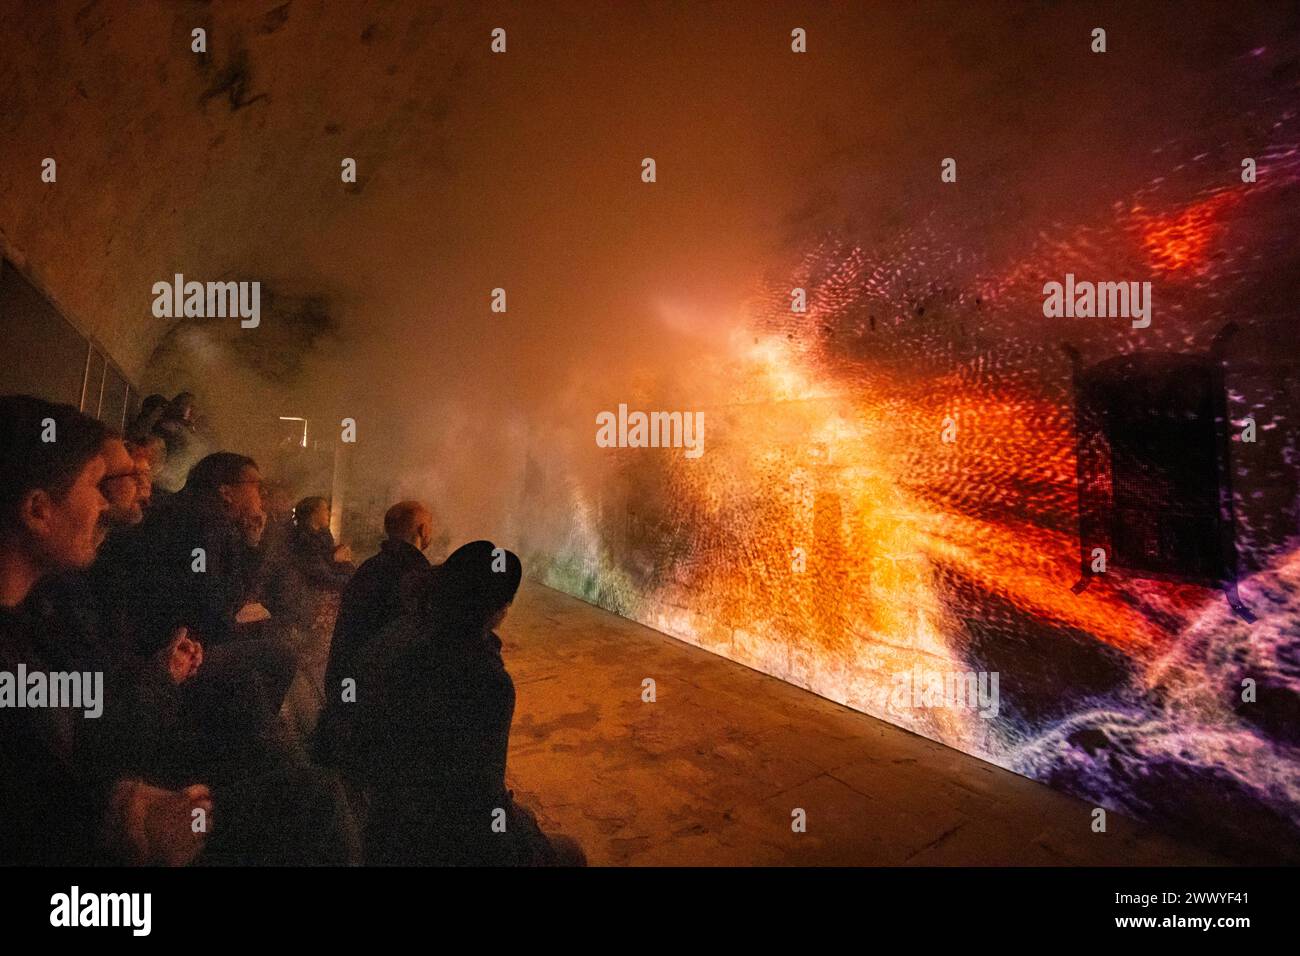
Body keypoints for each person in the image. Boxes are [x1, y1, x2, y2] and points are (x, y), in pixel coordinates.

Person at [0, 395, 212, 865]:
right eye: (100, 485)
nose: (107, 506)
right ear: (38, 510)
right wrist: (127, 818)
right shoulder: (48, 611)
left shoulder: (36, 611)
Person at [346, 540, 586, 866]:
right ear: (497, 611)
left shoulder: (404, 634)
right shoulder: (484, 680)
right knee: (570, 852)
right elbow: (481, 797)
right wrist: (523, 846)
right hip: (433, 841)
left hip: (386, 823)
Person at [314, 500, 433, 767]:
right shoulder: (417, 577)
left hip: (343, 692)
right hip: (372, 713)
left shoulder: (370, 567)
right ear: (423, 530)